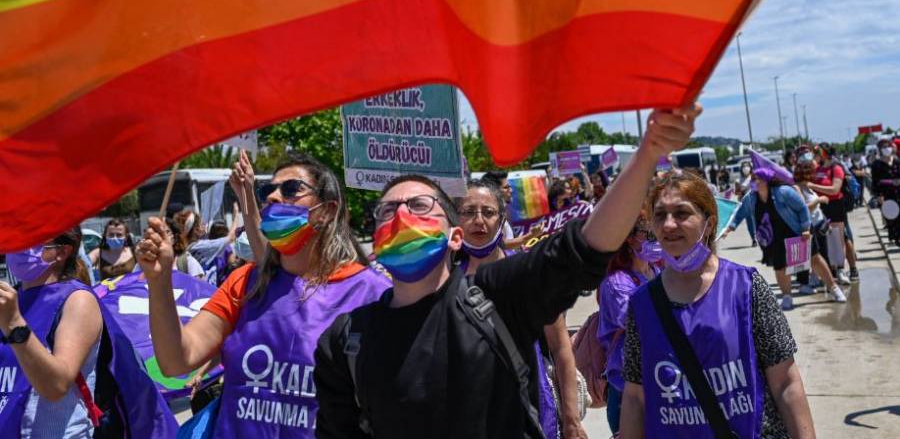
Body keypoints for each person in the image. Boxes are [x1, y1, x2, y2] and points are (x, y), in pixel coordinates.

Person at [313, 106, 701, 439]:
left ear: (454, 237)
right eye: (387, 211)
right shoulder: (347, 342)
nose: (401, 217)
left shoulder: (496, 298)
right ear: (376, 240)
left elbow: (584, 248)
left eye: (418, 205)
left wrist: (648, 154)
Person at [136, 153, 389, 438]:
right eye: (268, 191)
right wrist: (159, 282)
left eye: (291, 189)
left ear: (327, 211)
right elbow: (175, 361)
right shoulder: (246, 283)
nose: (274, 197)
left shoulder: (373, 292)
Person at [620, 170, 816, 439]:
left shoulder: (747, 287)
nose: (668, 224)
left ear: (709, 223)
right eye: (660, 215)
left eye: (681, 213)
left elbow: (786, 382)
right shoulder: (641, 304)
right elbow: (635, 396)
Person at [0, 229, 176, 437]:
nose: (19, 248)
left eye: (33, 240)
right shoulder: (12, 298)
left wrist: (14, 324)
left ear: (62, 252)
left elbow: (57, 385)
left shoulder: (77, 300)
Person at [454, 179, 588, 439]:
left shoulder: (531, 273)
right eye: (468, 212)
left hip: (531, 412)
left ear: (501, 219)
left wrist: (571, 420)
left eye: (488, 212)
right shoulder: (443, 279)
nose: (478, 220)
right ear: (456, 219)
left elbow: (561, 347)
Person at [597, 214, 660, 436]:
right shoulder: (616, 283)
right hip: (628, 387)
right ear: (630, 239)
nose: (657, 237)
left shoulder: (657, 273)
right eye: (650, 233)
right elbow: (637, 323)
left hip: (658, 380)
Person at [721, 167, 811, 310]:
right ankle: (787, 296)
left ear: (766, 181)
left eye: (756, 179)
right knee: (780, 266)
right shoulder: (751, 198)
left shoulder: (782, 192)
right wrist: (730, 228)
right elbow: (740, 213)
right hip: (770, 237)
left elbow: (802, 208)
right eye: (752, 180)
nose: (753, 182)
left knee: (805, 260)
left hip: (791, 230)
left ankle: (831, 286)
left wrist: (805, 228)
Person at [793, 161, 846, 302]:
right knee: (810, 257)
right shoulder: (797, 188)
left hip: (819, 224)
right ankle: (807, 284)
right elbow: (803, 209)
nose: (814, 175)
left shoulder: (807, 187)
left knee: (821, 256)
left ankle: (826, 281)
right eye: (811, 172)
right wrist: (819, 200)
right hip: (808, 227)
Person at [809, 143, 858, 284]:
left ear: (824, 153)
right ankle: (826, 272)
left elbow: (835, 189)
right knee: (821, 240)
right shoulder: (817, 168)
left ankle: (841, 269)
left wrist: (814, 186)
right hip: (819, 207)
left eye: (817, 152)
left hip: (835, 206)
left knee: (837, 239)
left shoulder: (836, 168)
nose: (815, 155)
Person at [871, 137, 900, 246]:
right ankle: (895, 237)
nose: (886, 148)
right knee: (892, 218)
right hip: (886, 195)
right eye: (883, 147)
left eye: (888, 146)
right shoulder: (876, 164)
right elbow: (875, 182)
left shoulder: (897, 161)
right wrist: (878, 195)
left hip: (898, 193)